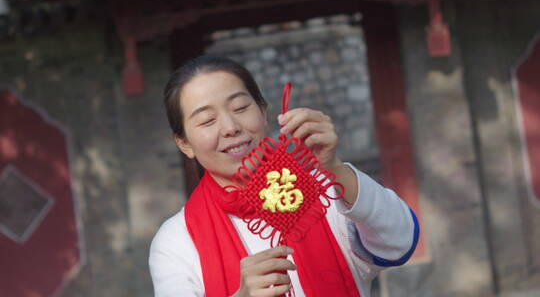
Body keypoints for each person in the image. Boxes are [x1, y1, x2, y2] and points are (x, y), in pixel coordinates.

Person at [149, 55, 419, 297]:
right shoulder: (176, 241)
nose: (230, 127)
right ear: (184, 143)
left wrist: (334, 169)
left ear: (264, 112)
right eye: (208, 120)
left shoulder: (323, 192)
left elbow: (401, 241)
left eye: (241, 108)